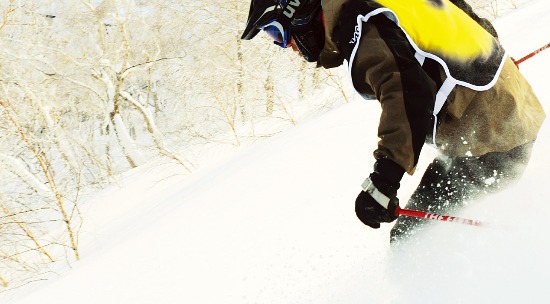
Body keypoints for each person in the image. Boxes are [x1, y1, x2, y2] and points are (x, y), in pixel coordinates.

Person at [241, 0, 546, 242]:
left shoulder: (357, 20)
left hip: (493, 138)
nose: (287, 46)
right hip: (510, 111)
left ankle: (515, 264)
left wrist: (384, 181)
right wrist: (486, 70)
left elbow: (405, 94)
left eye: (277, 33)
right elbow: (463, 15)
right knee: (429, 232)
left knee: (414, 239)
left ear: (298, 10)